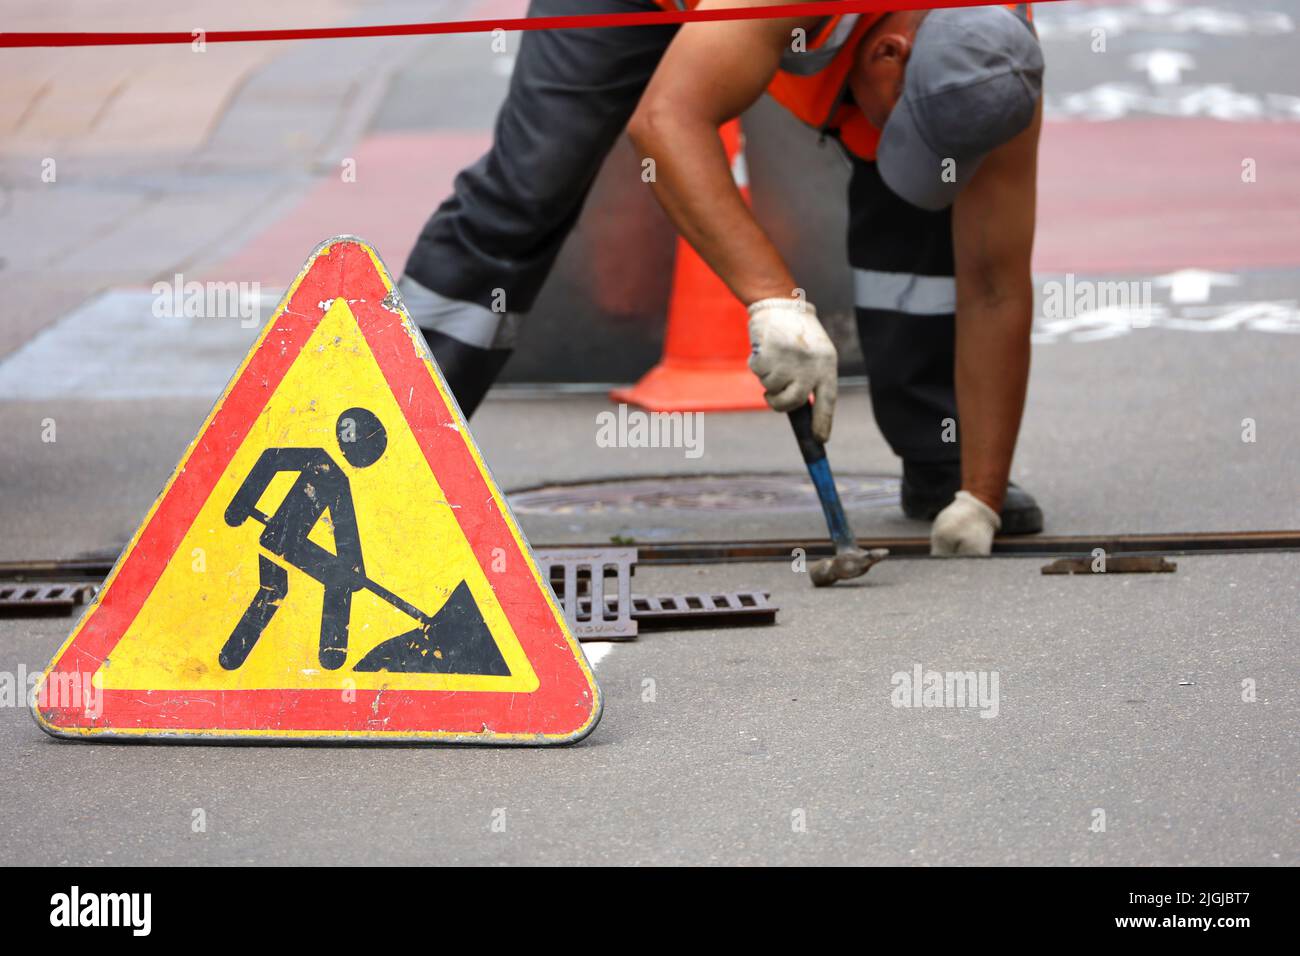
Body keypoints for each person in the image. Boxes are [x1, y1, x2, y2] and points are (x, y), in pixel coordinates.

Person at [399, 0, 1046, 555]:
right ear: (889, 51)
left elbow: (994, 283)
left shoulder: (997, 55)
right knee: (532, 185)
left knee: (926, 194)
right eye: (899, 121)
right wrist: (774, 301)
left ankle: (944, 464)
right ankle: (387, 445)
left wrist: (981, 497)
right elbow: (667, 121)